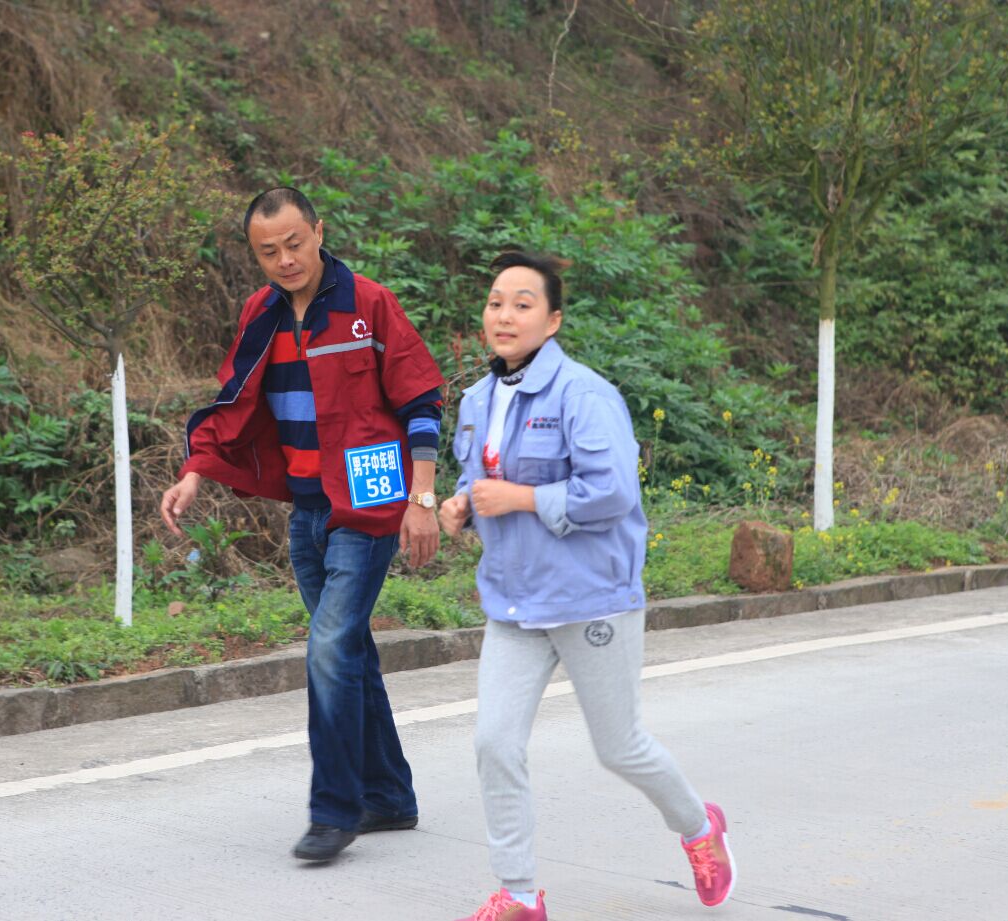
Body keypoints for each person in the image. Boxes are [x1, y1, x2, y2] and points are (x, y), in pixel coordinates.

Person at [438, 251, 735, 919]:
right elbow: (475, 478)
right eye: (495, 302)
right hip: (515, 603)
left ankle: (698, 826)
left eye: (522, 303)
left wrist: (517, 497)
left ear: (552, 320)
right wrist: (461, 506)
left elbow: (611, 493)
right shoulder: (478, 399)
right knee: (494, 743)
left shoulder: (585, 395)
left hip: (590, 597)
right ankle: (519, 893)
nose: (504, 314)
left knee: (620, 746)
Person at [159, 187, 446, 863]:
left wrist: (423, 497)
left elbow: (420, 397)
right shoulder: (259, 314)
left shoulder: (368, 304)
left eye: (295, 243)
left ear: (319, 232)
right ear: (254, 254)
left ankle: (335, 810)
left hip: (371, 506)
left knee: (327, 648)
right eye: (269, 251)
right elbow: (231, 401)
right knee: (347, 652)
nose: (285, 259)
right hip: (307, 510)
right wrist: (196, 469)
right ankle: (390, 795)